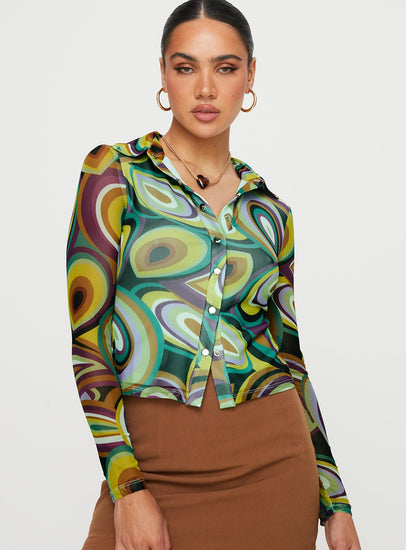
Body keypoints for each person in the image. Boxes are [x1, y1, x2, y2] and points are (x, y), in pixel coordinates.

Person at [66, 1, 361, 548]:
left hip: (274, 467)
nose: (205, 88)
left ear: (250, 76)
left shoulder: (270, 212)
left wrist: (335, 501)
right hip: (152, 461)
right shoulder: (114, 174)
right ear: (163, 74)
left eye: (225, 68)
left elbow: (290, 358)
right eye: (186, 67)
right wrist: (127, 488)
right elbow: (89, 344)